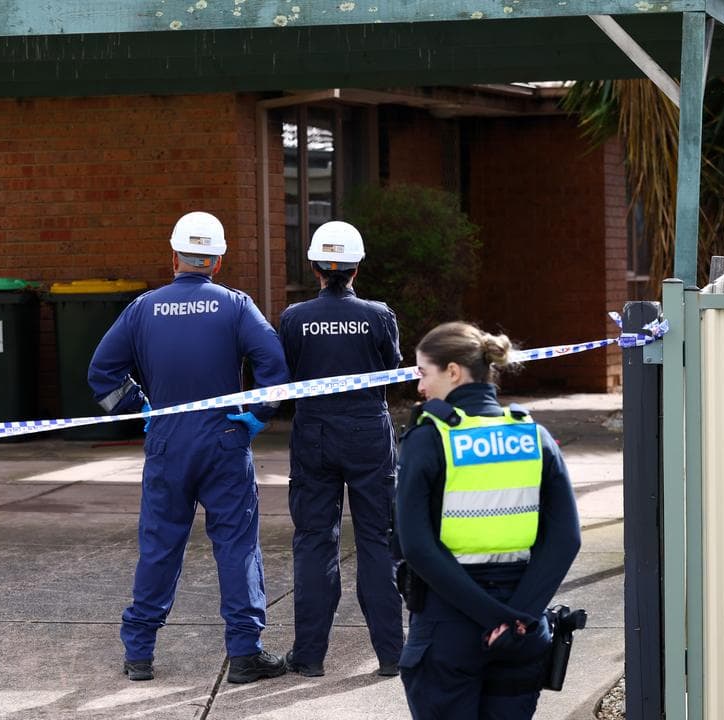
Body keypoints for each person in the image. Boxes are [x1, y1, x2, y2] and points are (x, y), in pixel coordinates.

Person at [87, 211, 290, 685]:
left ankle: (139, 654)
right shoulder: (237, 306)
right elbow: (274, 366)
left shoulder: (143, 308)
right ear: (217, 261)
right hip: (224, 440)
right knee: (237, 545)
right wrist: (259, 415)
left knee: (159, 545)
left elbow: (101, 374)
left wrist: (142, 409)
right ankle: (244, 653)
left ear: (173, 256)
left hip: (168, 440)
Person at [394, 322, 581, 719]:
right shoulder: (535, 436)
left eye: (423, 373)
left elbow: (417, 547)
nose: (420, 388)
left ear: (454, 372)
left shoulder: (429, 439)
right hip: (523, 624)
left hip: (450, 624)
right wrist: (520, 619)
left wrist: (495, 618)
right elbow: (565, 539)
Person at [277, 220, 404, 678]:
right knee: (376, 540)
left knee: (314, 541)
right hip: (368, 432)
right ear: (356, 268)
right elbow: (389, 367)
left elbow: (286, 371)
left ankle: (309, 657)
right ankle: (391, 655)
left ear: (314, 268)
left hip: (313, 433)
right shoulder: (379, 314)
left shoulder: (293, 318)